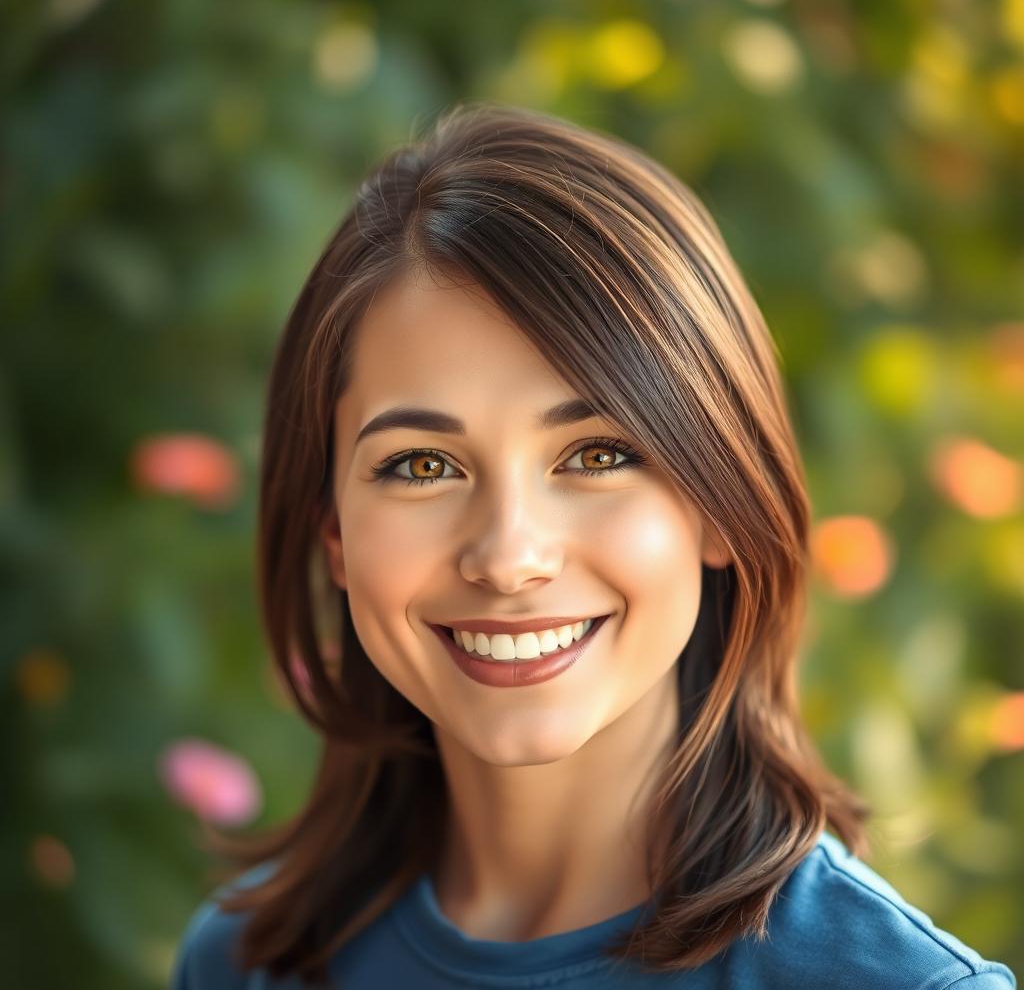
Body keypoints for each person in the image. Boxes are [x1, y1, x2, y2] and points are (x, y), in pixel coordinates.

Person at [170, 102, 1017, 989]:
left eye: (598, 454)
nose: (507, 556)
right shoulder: (244, 963)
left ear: (720, 505)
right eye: (422, 465)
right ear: (334, 532)